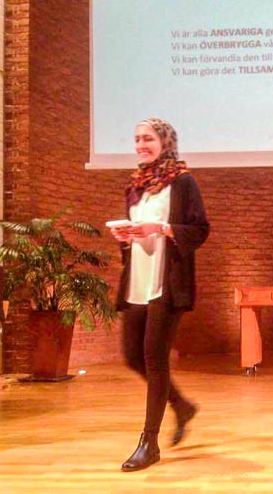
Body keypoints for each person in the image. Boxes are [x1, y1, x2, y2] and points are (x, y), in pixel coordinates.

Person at [109, 118, 210, 472]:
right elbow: (137, 232)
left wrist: (163, 228)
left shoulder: (183, 182)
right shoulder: (135, 187)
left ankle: (148, 443)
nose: (140, 144)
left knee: (154, 358)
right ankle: (181, 405)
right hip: (137, 279)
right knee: (132, 357)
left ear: (165, 142)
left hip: (167, 283)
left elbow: (199, 230)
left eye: (148, 138)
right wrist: (126, 238)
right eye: (136, 139)